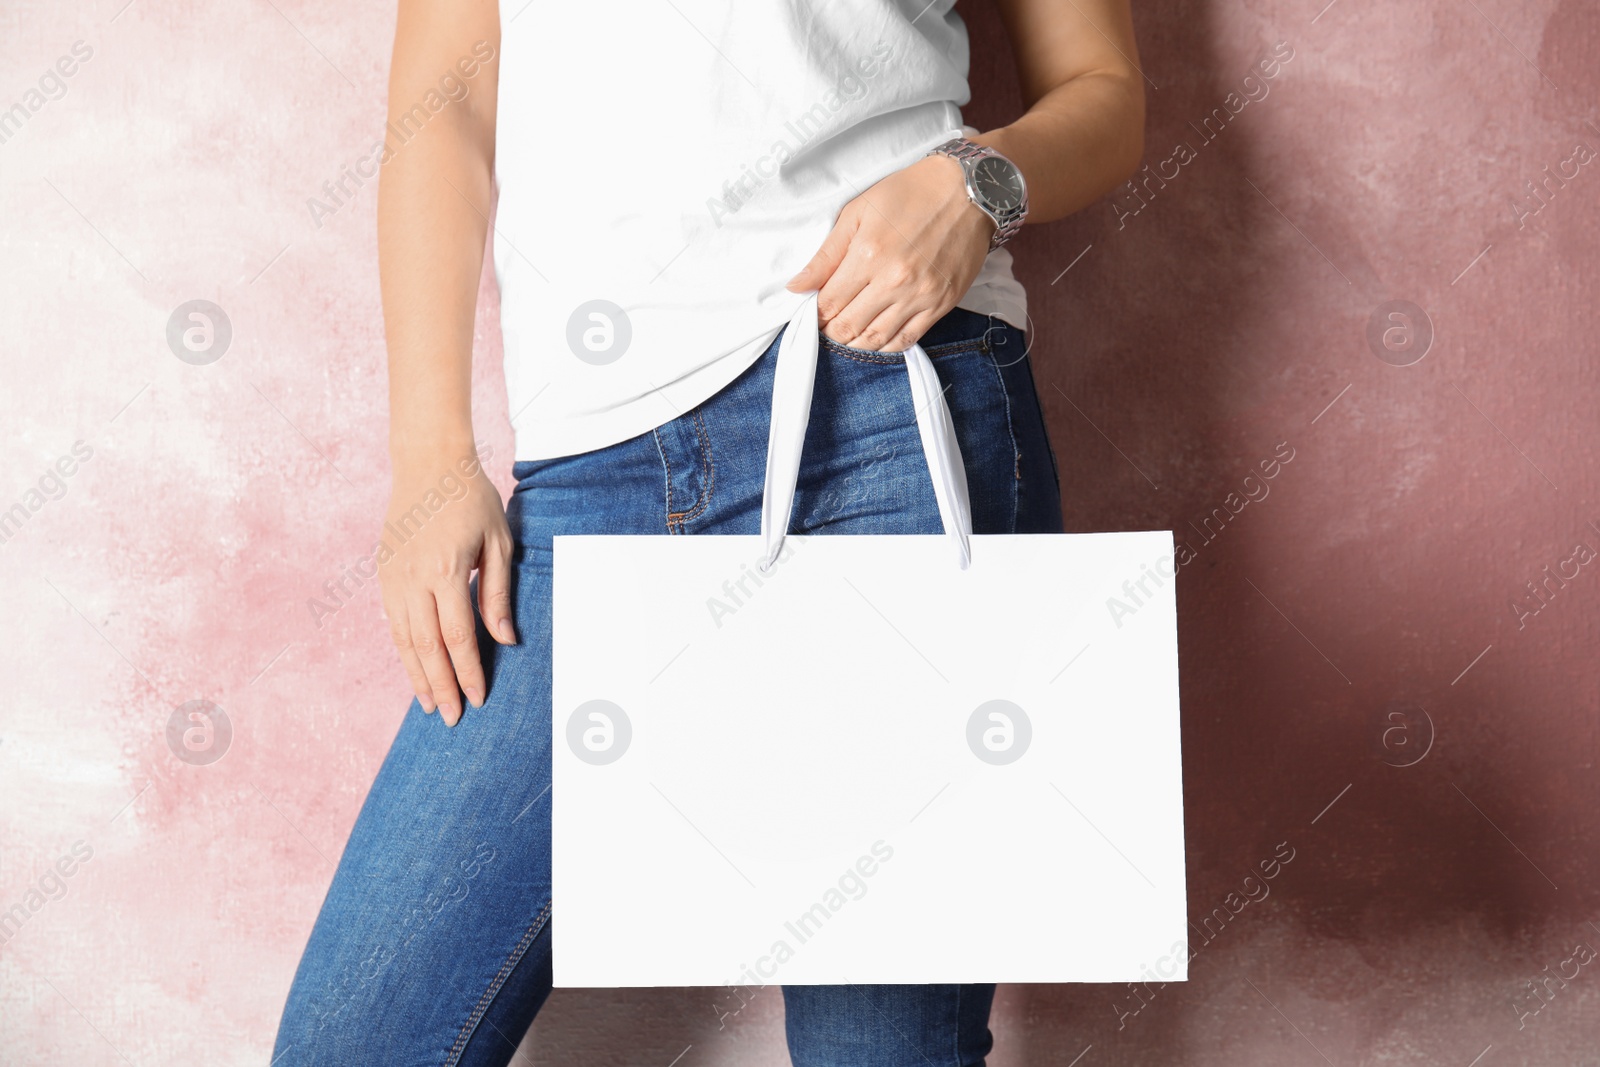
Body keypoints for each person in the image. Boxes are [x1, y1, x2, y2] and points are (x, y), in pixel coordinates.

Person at [272, 0, 1143, 1063]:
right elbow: (444, 100)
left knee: (880, 1053)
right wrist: (428, 455)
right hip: (590, 465)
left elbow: (1103, 94)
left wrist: (978, 180)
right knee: (355, 1040)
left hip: (886, 413)